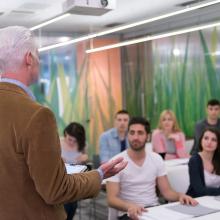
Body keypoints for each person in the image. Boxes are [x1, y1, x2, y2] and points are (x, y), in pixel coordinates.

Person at [0, 26, 127, 220]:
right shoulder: (37, 116)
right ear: (29, 58)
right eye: (37, 55)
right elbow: (55, 190)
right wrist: (98, 175)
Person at [106, 117, 197, 220]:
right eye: (132, 133)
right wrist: (129, 206)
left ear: (147, 137)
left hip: (153, 210)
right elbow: (111, 199)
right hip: (128, 213)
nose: (135, 137)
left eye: (140, 133)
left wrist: (180, 196)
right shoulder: (116, 162)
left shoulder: (156, 159)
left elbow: (166, 192)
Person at [60, 122, 89, 220]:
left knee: (72, 205)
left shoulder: (83, 145)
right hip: (61, 180)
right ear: (65, 134)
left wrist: (85, 159)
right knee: (67, 205)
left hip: (75, 180)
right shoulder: (58, 142)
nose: (71, 142)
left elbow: (85, 167)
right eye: (69, 139)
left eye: (74, 140)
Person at [187, 127, 220, 197]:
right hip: (196, 200)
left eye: (214, 140)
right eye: (206, 138)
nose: (209, 142)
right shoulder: (194, 160)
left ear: (218, 144)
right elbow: (199, 190)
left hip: (215, 199)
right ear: (201, 140)